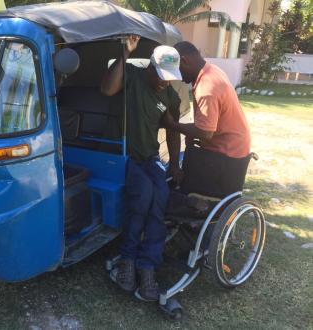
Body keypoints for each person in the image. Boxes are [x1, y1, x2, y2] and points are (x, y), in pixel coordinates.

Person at [101, 35, 182, 301]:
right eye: (160, 75)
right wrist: (125, 53)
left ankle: (147, 266)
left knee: (161, 196)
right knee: (144, 195)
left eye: (169, 76)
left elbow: (171, 129)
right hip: (124, 156)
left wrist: (175, 165)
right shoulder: (134, 76)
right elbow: (107, 90)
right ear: (149, 67)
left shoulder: (169, 94)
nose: (164, 81)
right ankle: (127, 260)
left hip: (149, 157)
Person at [164, 41, 251, 209]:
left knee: (181, 190)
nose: (178, 77)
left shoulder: (207, 87)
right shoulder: (211, 70)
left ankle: (192, 208)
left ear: (184, 60)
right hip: (232, 144)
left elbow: (205, 133)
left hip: (227, 154)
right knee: (187, 159)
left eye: (177, 70)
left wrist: (172, 124)